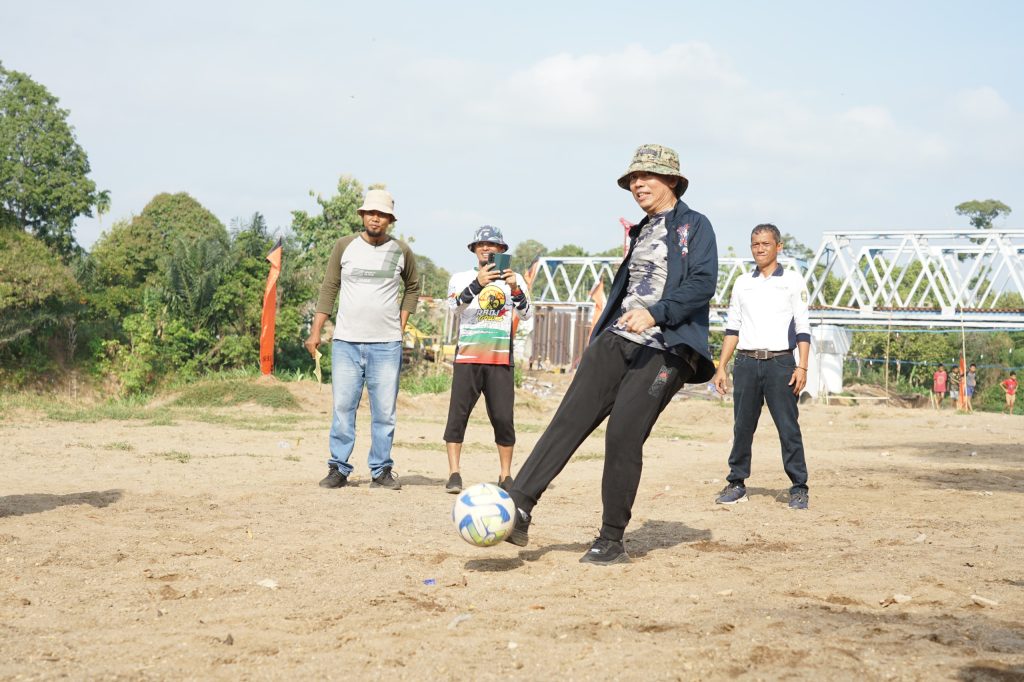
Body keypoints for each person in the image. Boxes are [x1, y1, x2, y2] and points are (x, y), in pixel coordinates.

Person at [504, 143, 718, 565]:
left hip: (666, 349)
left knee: (623, 434)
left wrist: (656, 314)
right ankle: (519, 506)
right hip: (615, 340)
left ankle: (612, 537)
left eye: (647, 176)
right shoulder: (641, 229)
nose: (637, 184)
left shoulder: (695, 226)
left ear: (671, 181)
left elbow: (702, 283)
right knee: (568, 420)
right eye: (632, 179)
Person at [305, 189, 420, 490]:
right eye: (370, 212)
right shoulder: (344, 246)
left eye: (381, 214)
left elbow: (413, 288)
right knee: (343, 407)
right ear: (362, 215)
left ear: (389, 220)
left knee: (384, 411)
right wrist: (316, 331)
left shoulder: (402, 251)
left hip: (386, 344)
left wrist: (401, 323)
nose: (375, 218)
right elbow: (329, 288)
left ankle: (381, 470)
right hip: (346, 342)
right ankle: (339, 469)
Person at [712, 224, 811, 510]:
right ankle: (737, 483)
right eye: (755, 244)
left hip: (781, 363)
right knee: (742, 427)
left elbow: (803, 328)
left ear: (778, 246)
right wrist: (722, 367)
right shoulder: (743, 283)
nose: (760, 249)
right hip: (746, 362)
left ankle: (799, 487)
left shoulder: (792, 281)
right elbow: (733, 327)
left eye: (766, 244)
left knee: (788, 427)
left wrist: (802, 367)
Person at [443, 226, 533, 494]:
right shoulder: (460, 278)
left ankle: (505, 475)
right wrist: (478, 283)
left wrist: (515, 288)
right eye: (481, 244)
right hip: (468, 356)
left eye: (492, 245)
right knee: (457, 416)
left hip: (500, 358)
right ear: (474, 250)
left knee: (504, 418)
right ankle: (454, 473)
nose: (486, 248)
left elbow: (527, 314)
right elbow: (454, 307)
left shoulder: (514, 279)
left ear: (502, 250)